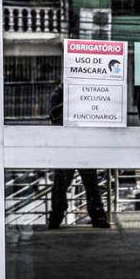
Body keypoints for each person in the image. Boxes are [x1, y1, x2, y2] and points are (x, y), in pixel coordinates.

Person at [45, 86, 108, 230]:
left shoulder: (83, 91)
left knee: (90, 184)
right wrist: (73, 103)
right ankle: (56, 217)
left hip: (81, 143)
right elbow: (53, 114)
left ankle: (97, 217)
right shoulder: (61, 91)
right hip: (68, 145)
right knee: (62, 185)